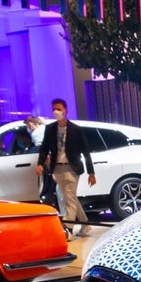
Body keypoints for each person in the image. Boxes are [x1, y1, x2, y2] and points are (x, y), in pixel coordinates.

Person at [36, 98, 96, 237]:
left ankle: (68, 230)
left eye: (59, 109)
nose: (56, 112)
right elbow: (44, 148)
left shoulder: (75, 129)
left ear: (65, 110)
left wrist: (91, 173)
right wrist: (40, 164)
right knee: (70, 198)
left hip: (72, 168)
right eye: (54, 109)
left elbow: (86, 152)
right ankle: (85, 225)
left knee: (69, 199)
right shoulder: (50, 129)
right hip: (57, 168)